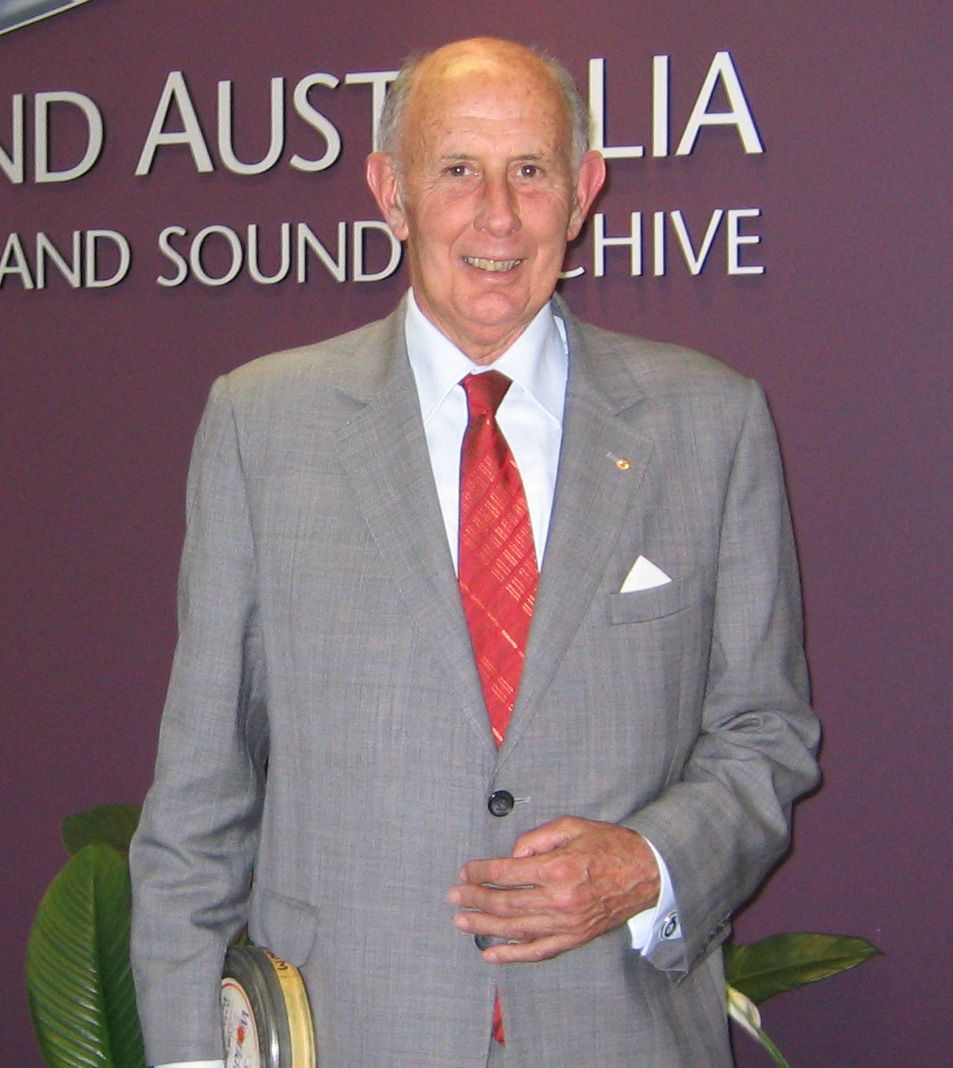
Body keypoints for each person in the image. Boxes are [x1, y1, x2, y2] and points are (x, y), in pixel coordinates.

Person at [130, 36, 820, 1068]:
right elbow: (200, 789)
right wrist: (190, 1052)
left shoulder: (708, 424)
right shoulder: (261, 423)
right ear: (389, 193)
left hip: (618, 1033)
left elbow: (765, 733)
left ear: (582, 191)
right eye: (456, 170)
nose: (496, 214)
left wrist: (648, 862)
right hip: (350, 1033)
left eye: (530, 171)